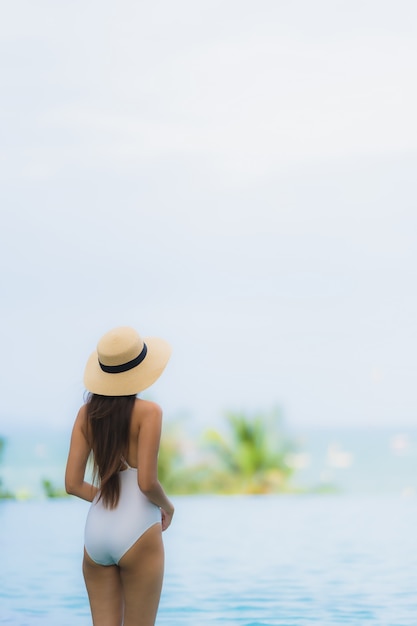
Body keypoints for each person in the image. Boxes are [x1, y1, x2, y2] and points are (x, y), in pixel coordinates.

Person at [65, 326, 175, 626]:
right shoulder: (150, 412)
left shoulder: (86, 414)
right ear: (140, 370)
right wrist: (168, 506)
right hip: (138, 528)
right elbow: (146, 483)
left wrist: (106, 497)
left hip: (97, 531)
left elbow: (72, 484)